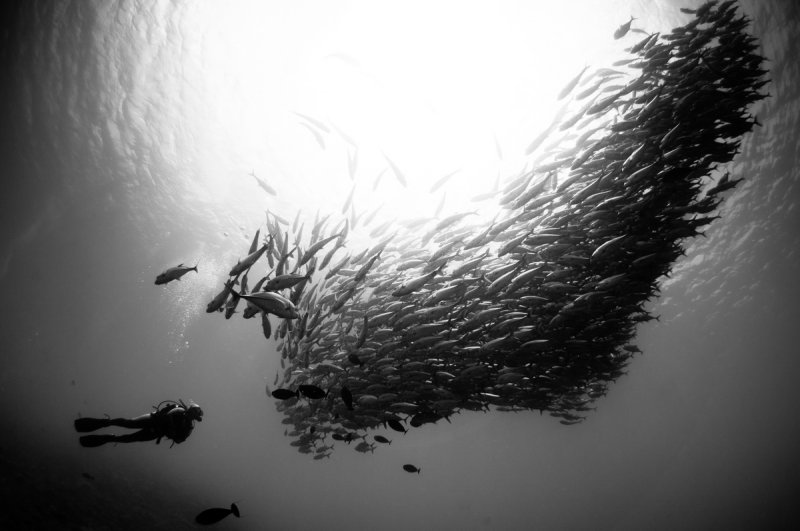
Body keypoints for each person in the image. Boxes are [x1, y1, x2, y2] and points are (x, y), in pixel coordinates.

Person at [74, 399, 203, 448]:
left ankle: (109, 437)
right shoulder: (179, 410)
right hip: (152, 420)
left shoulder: (188, 427)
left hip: (155, 432)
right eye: (193, 411)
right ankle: (106, 423)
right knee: (128, 423)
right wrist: (172, 430)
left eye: (195, 414)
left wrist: (175, 434)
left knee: (129, 439)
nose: (192, 414)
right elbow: (169, 416)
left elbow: (180, 440)